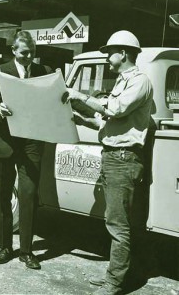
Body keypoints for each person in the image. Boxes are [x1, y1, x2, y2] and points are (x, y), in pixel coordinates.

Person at [64, 30, 153, 294]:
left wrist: (79, 95)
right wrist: (84, 120)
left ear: (123, 53)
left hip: (123, 159)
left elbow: (114, 109)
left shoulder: (139, 82)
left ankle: (115, 283)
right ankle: (115, 276)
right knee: (115, 221)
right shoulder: (123, 82)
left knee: (118, 224)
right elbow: (110, 122)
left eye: (109, 52)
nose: (107, 57)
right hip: (115, 158)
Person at [0, 30, 52, 270]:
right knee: (2, 197)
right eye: (24, 53)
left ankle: (26, 251)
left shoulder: (44, 73)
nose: (28, 58)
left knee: (29, 196)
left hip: (32, 144)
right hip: (3, 142)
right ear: (14, 51)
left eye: (32, 53)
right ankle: (4, 247)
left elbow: (51, 101)